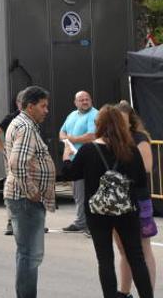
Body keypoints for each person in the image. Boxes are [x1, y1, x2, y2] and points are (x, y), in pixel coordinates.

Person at [61, 105, 153, 298]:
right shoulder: (130, 150)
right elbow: (141, 180)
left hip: (97, 212)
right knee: (136, 258)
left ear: (99, 125)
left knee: (105, 260)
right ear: (121, 124)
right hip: (127, 210)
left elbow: (71, 174)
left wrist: (66, 157)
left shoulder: (88, 149)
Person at [4, 86, 56, 298]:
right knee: (30, 256)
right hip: (25, 200)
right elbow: (17, 164)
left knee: (26, 254)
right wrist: (31, 190)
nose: (46, 111)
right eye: (43, 106)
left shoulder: (23, 124)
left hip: (22, 199)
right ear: (30, 106)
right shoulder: (25, 127)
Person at [113, 101, 156, 298]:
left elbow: (146, 168)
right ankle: (124, 291)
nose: (120, 125)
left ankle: (148, 292)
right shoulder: (111, 139)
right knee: (123, 248)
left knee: (142, 248)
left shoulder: (140, 139)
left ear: (130, 121)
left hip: (137, 199)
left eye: (123, 121)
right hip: (117, 201)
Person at [60, 90, 99, 234]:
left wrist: (72, 140)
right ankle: (81, 222)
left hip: (89, 160)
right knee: (78, 194)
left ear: (91, 100)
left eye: (87, 99)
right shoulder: (72, 115)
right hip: (74, 160)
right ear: (75, 102)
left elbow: (92, 135)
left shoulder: (95, 114)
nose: (84, 101)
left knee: (89, 193)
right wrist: (67, 140)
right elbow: (61, 132)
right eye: (81, 100)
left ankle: (91, 224)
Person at [0, 91, 25, 235]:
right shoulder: (12, 117)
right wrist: (3, 149)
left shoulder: (32, 117)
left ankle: (30, 222)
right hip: (13, 159)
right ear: (18, 103)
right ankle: (11, 222)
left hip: (27, 158)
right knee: (12, 189)